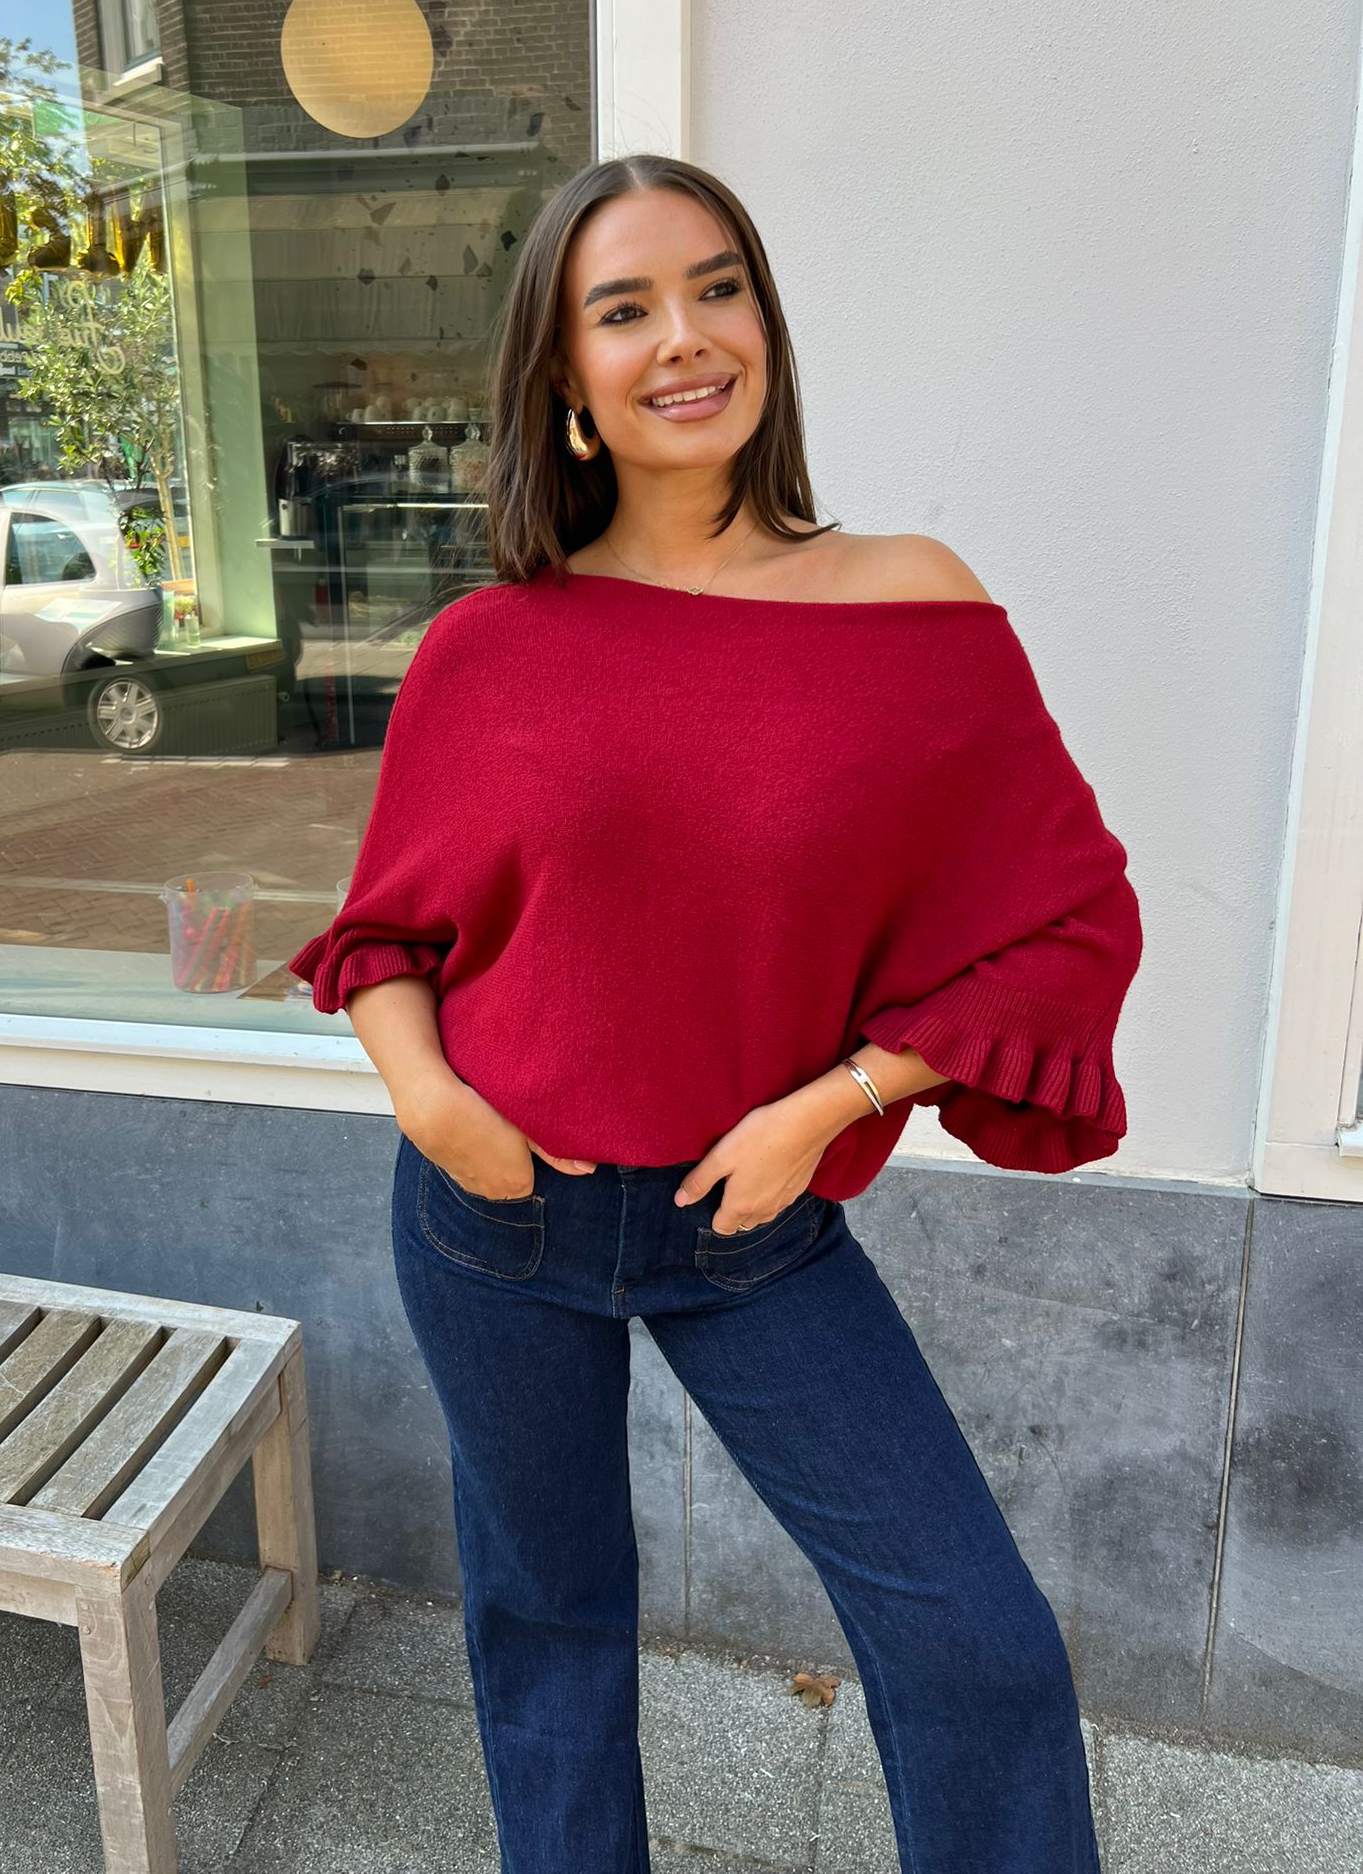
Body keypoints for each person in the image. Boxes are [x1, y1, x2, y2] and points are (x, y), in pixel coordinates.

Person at [290, 152, 1142, 1874]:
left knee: (978, 1641)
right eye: (625, 309)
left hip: (752, 1219)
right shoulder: (489, 648)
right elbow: (381, 940)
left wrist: (830, 1101)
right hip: (490, 1221)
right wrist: (441, 1113)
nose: (683, 338)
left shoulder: (911, 603)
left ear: (765, 321)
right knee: (551, 1628)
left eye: (718, 286)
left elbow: (1065, 917)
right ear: (567, 379)